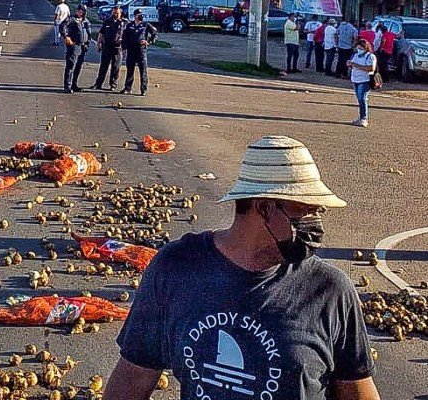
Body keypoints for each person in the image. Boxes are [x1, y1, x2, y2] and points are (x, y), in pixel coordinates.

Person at [103, 135, 381, 400]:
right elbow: (134, 375)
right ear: (264, 208)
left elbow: (356, 390)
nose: (316, 223)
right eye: (305, 210)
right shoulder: (176, 268)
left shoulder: (329, 289)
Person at [120, 9, 157, 96]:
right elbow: (125, 36)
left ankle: (143, 89)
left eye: (142, 14)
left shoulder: (145, 24)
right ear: (135, 15)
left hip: (141, 51)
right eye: (139, 14)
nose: (141, 16)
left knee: (143, 71)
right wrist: (123, 47)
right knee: (130, 70)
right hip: (131, 50)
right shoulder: (130, 25)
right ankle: (128, 88)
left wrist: (148, 41)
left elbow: (154, 33)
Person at [91, 6, 128, 91]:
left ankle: (113, 84)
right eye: (114, 13)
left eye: (117, 13)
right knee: (103, 66)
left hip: (118, 48)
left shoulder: (125, 23)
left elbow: (129, 34)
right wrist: (98, 44)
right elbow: (101, 33)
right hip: (107, 47)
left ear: (120, 13)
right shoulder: (108, 21)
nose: (115, 14)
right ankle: (98, 84)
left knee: (116, 67)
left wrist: (125, 43)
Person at [60, 5, 92, 93]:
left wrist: (87, 43)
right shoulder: (71, 19)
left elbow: (89, 34)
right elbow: (63, 26)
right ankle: (68, 86)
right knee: (71, 66)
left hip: (83, 46)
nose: (80, 12)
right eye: (79, 10)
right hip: (74, 45)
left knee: (78, 67)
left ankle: (74, 84)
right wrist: (66, 37)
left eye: (82, 11)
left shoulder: (86, 21)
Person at [347, 39, 377, 127]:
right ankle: (361, 117)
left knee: (362, 99)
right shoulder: (356, 55)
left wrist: (355, 65)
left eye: (361, 48)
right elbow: (352, 64)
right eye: (358, 48)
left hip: (364, 80)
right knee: (359, 99)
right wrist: (350, 64)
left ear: (365, 48)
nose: (359, 50)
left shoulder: (370, 56)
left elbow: (371, 68)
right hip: (355, 79)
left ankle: (364, 118)